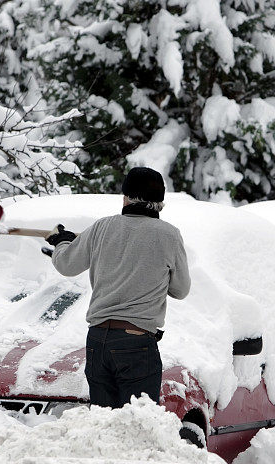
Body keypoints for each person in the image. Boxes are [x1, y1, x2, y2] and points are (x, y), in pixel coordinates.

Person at [43, 167, 191, 408]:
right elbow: (181, 290)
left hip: (98, 340)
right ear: (160, 203)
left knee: (105, 428)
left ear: (125, 197)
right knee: (136, 427)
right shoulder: (169, 236)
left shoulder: (102, 228)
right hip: (136, 343)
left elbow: (66, 263)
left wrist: (62, 242)